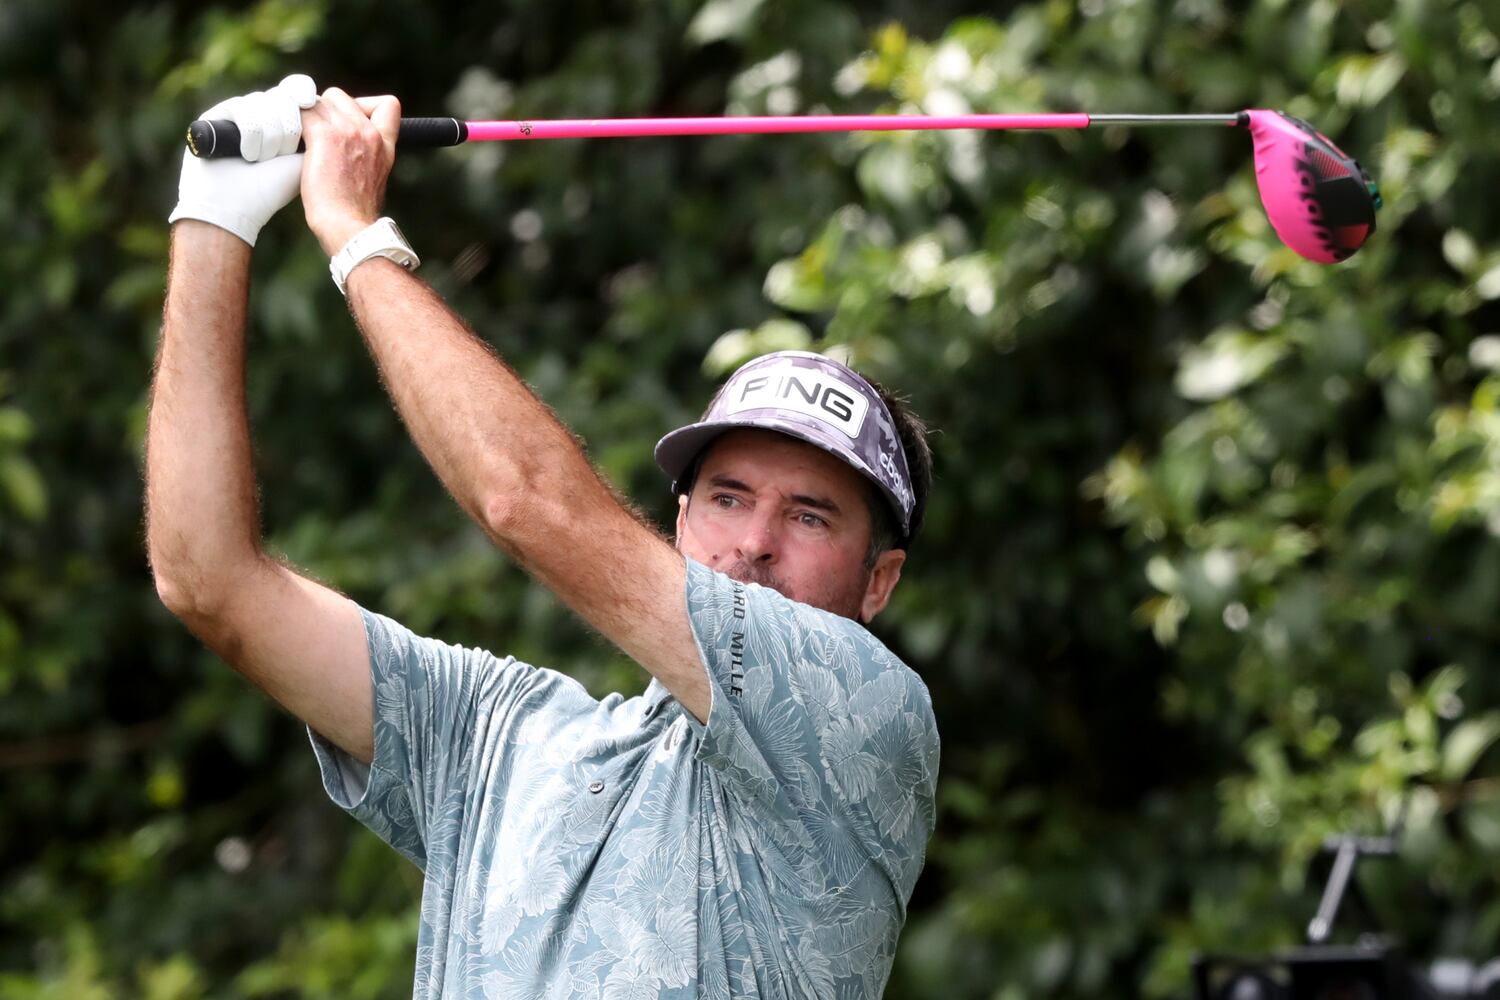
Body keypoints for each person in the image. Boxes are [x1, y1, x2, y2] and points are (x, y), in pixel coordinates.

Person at [146, 75, 940, 998]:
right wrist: (213, 218)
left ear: (878, 582)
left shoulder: (871, 718)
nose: (756, 541)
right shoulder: (500, 735)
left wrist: (356, 234)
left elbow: (526, 502)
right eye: (727, 497)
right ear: (678, 522)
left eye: (810, 516)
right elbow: (207, 581)